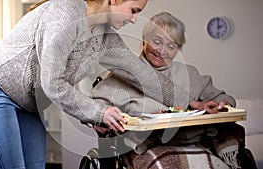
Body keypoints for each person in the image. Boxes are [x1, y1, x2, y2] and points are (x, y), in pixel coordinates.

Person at [0, 0, 185, 168]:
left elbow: (142, 74)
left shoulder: (104, 36)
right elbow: (53, 84)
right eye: (134, 10)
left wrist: (190, 102)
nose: (135, 20)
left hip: (29, 105)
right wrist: (99, 113)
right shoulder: (64, 14)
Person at [91, 11, 256, 168]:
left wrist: (221, 105)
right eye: (157, 42)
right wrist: (102, 119)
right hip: (147, 145)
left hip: (194, 140)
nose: (162, 51)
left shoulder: (190, 74)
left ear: (178, 49)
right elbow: (95, 107)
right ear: (144, 40)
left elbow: (224, 99)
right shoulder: (123, 75)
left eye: (171, 46)